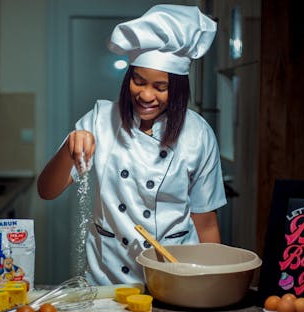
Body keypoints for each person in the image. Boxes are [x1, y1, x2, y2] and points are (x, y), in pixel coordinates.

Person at [37, 4, 227, 285]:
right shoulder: (99, 121)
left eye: (160, 87)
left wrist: (214, 284)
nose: (146, 95)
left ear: (178, 90)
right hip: (109, 279)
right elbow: (47, 190)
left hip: (177, 275)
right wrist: (69, 149)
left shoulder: (198, 134)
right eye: (138, 81)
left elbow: (206, 223)